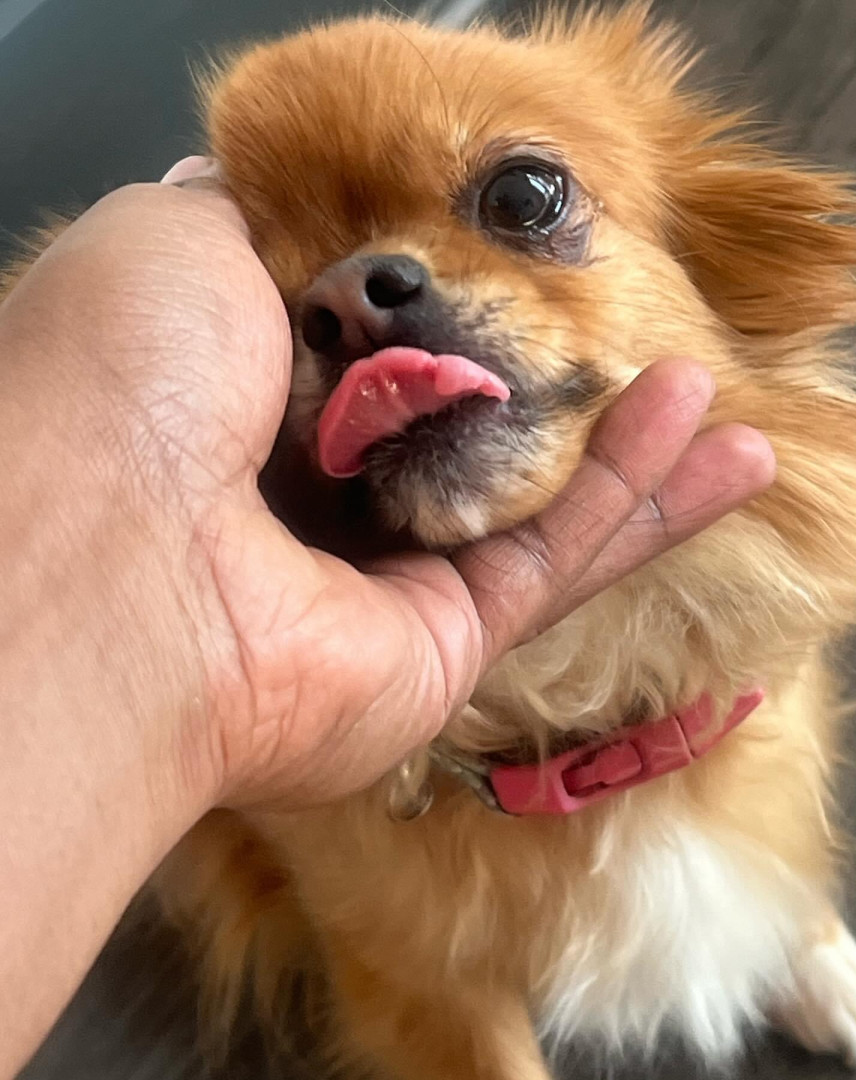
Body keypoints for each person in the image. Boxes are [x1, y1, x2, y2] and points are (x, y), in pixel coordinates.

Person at [0, 164, 775, 1078]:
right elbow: (404, 986)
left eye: (522, 202)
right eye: (294, 310)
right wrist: (124, 587)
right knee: (425, 979)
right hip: (360, 784)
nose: (354, 301)